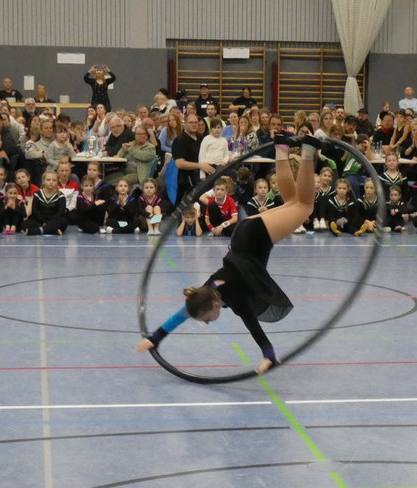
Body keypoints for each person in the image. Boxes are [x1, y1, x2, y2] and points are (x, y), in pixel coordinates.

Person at [137, 135, 322, 375]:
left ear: (215, 304)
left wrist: (268, 356)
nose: (206, 322)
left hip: (256, 236)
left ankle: (308, 149)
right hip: (245, 236)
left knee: (304, 206)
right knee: (292, 203)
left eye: (206, 318)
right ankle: (281, 147)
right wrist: (156, 337)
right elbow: (184, 312)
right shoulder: (206, 290)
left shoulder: (231, 296)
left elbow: (254, 327)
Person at [24, 170, 68, 236]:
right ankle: (51, 230)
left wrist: (50, 222)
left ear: (57, 182)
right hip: (40, 220)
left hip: (54, 220)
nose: (51, 182)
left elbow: (61, 212)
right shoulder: (37, 194)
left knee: (63, 221)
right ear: (43, 181)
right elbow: (35, 211)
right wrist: (43, 222)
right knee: (25, 223)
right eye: (48, 180)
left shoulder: (60, 196)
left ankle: (38, 231)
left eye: (54, 180)